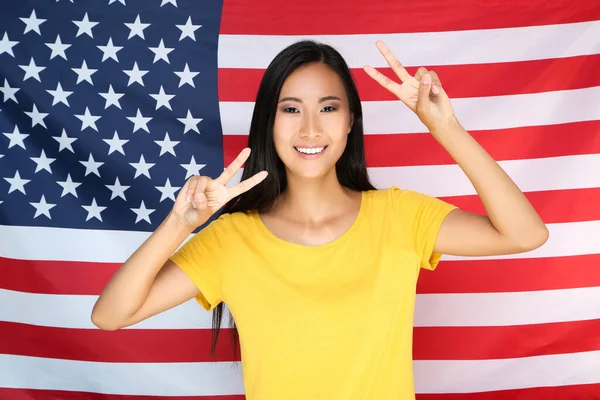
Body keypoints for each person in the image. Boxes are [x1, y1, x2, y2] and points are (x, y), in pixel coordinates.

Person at [91, 40, 549, 399]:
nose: (310, 129)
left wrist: (443, 124)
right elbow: (110, 315)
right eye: (291, 109)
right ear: (268, 122)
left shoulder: (400, 215)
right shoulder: (231, 238)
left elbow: (526, 233)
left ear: (351, 120)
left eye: (328, 108)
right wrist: (180, 224)